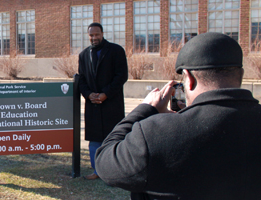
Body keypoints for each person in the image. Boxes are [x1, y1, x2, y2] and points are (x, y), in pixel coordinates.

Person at [95, 32, 261, 199]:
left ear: (188, 79)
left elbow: (105, 162)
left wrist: (145, 109)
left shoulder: (156, 133)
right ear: (240, 75)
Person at [78, 22, 128, 180]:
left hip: (111, 103)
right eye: (91, 35)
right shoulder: (84, 55)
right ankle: (96, 171)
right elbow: (82, 80)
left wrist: (105, 94)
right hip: (93, 105)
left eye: (96, 34)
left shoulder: (116, 51)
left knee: (114, 137)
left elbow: (121, 76)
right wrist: (88, 94)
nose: (94, 38)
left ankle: (115, 171)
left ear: (102, 33)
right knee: (94, 140)